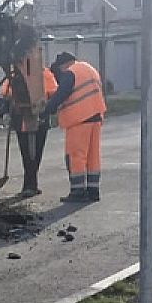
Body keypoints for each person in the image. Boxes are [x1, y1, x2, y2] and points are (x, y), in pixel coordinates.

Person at [43, 51, 106, 203]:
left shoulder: (71, 73)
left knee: (75, 155)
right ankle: (93, 190)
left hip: (79, 119)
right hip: (96, 117)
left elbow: (61, 94)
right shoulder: (89, 69)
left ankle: (77, 191)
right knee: (92, 156)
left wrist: (46, 110)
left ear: (63, 65)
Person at [0, 65, 57, 197]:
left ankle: (30, 184)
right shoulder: (17, 76)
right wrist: (5, 112)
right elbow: (5, 95)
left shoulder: (43, 74)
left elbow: (52, 95)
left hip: (35, 117)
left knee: (32, 153)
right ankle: (30, 185)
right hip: (25, 117)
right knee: (31, 153)